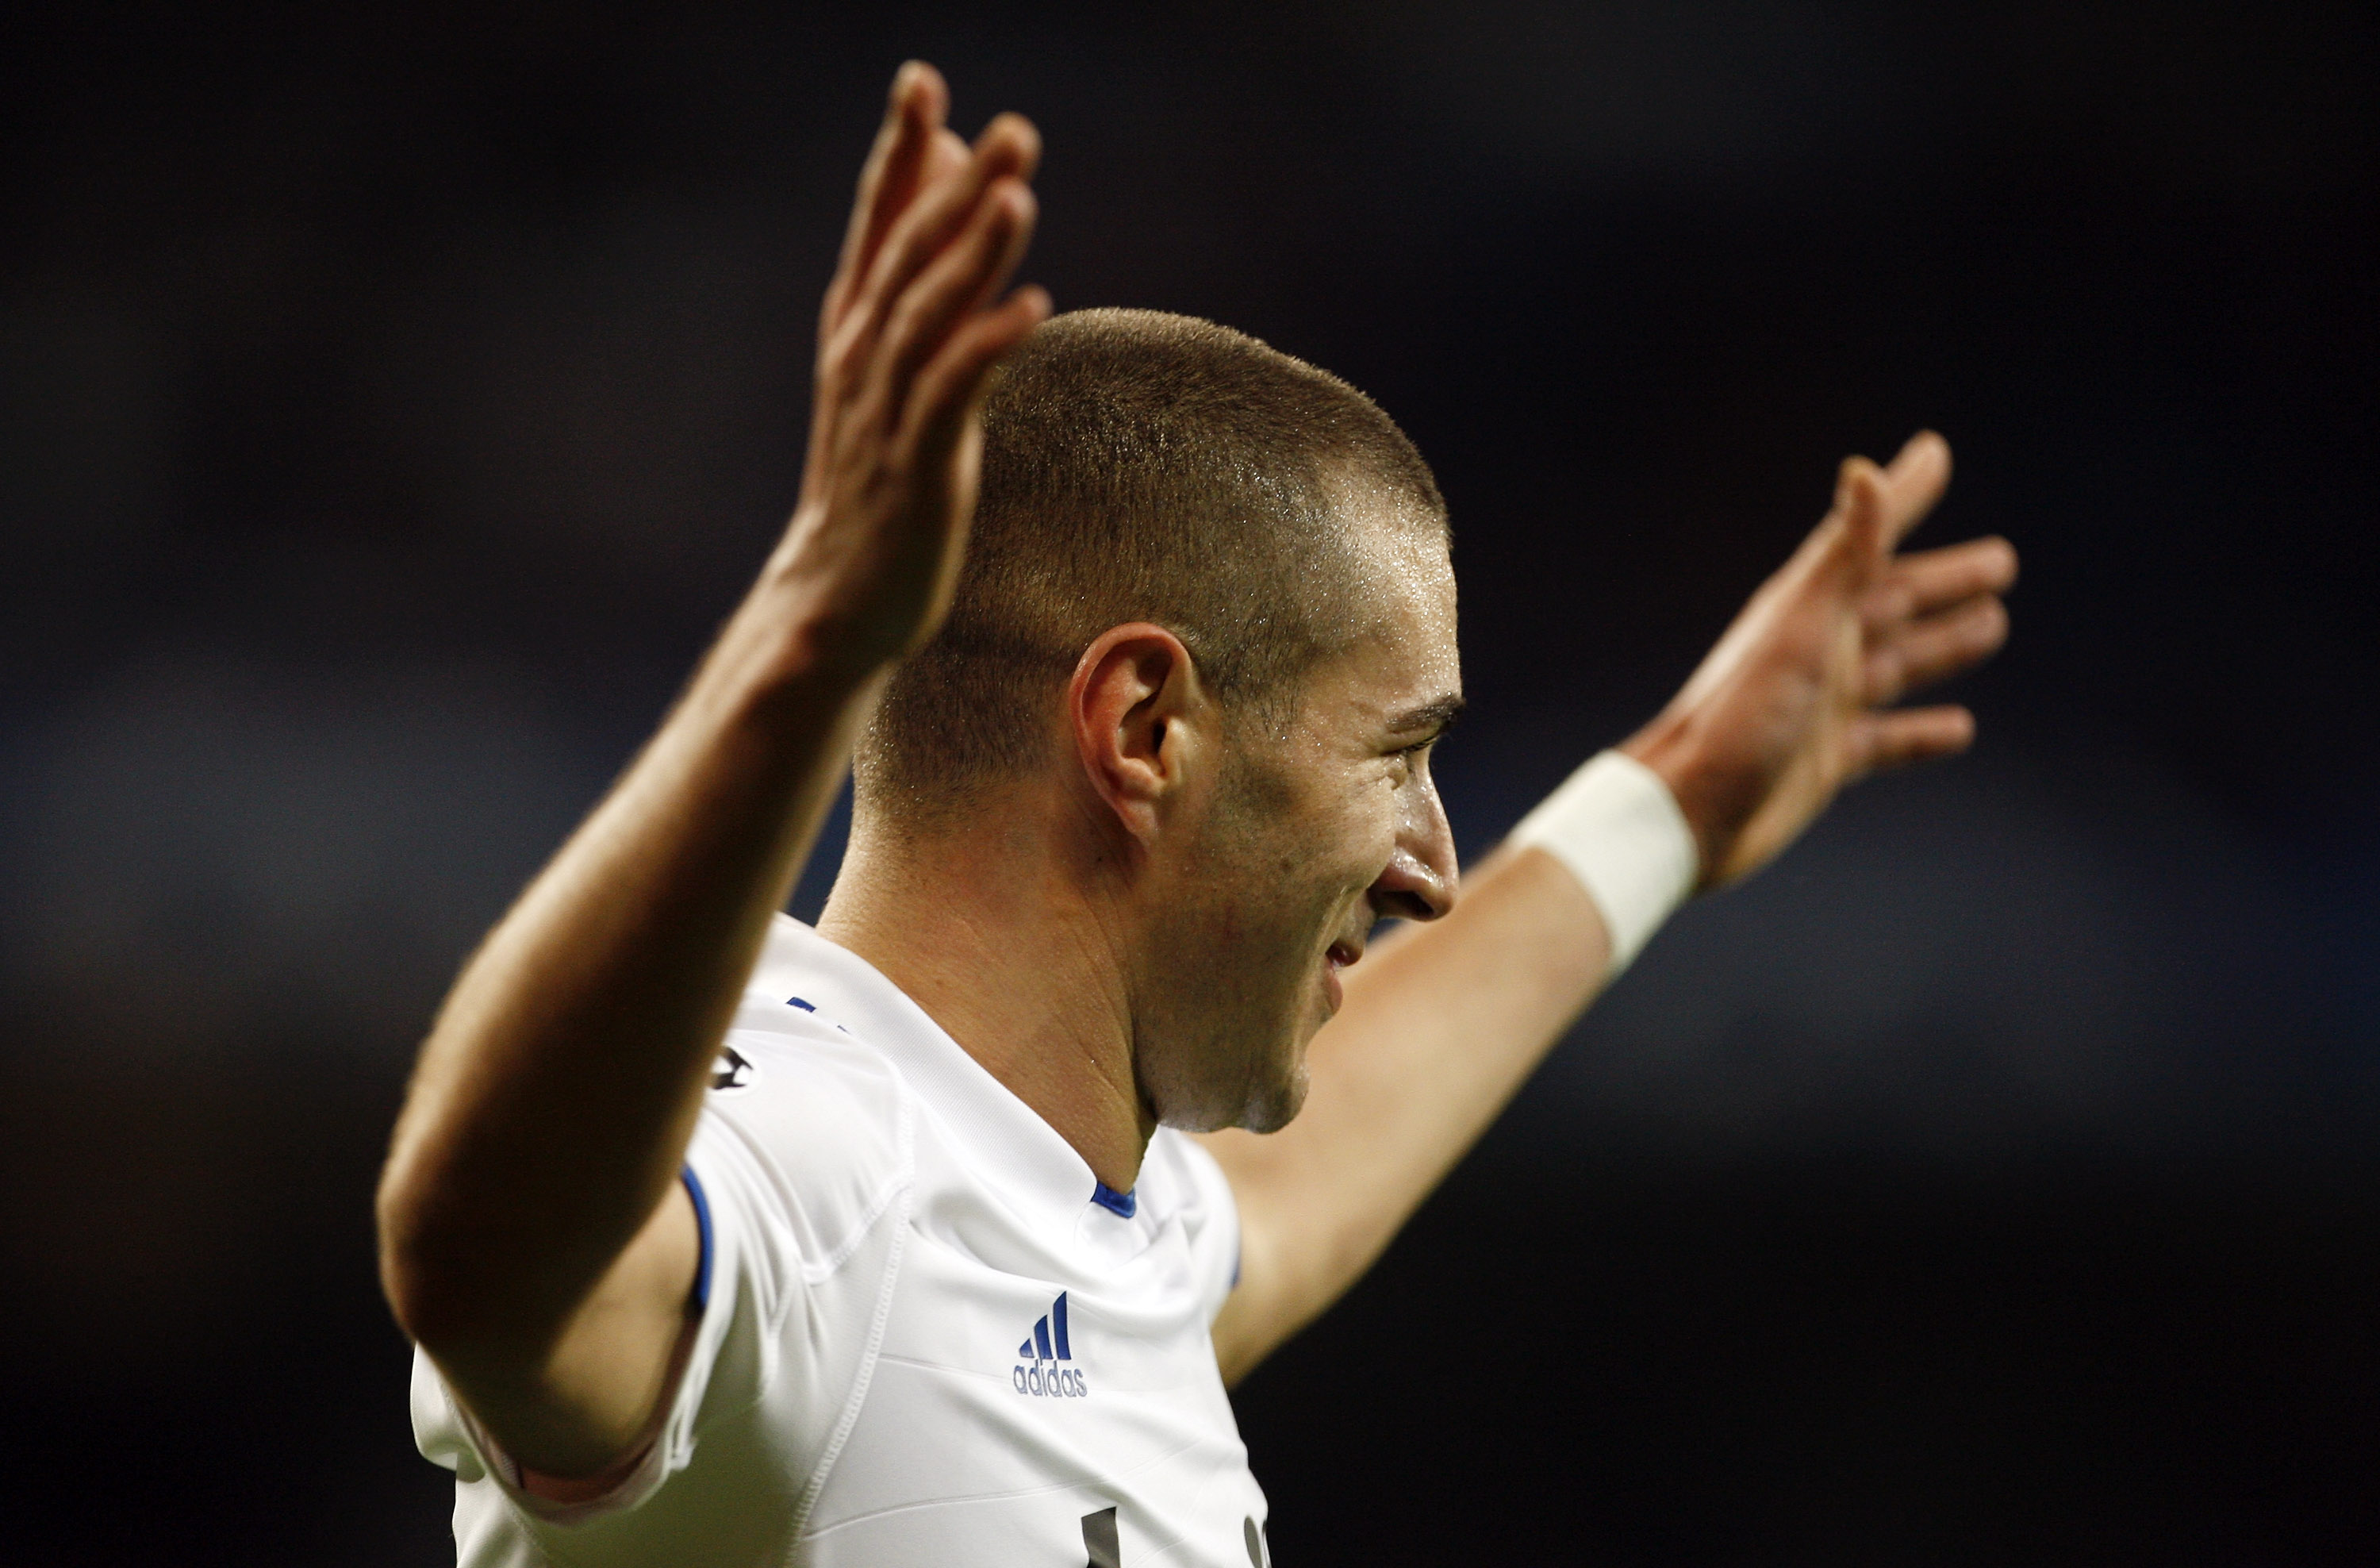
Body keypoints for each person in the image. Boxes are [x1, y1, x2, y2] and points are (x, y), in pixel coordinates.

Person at [377, 60, 2017, 1568]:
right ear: (1146, 727)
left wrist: (1669, 799)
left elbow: (1300, 1196)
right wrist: (809, 636)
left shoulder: (1092, 1204)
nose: (1435, 865)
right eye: (1399, 755)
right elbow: (483, 1261)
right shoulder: (813, 1165)